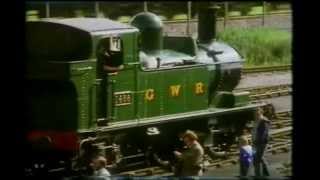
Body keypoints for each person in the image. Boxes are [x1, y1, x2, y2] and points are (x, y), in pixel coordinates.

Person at [252, 107, 271, 177]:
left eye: (257, 113)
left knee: (256, 159)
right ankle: (266, 173)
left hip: (261, 143)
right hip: (255, 142)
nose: (256, 114)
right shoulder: (256, 121)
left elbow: (264, 133)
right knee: (261, 158)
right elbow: (255, 131)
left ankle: (257, 175)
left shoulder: (264, 121)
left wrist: (257, 141)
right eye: (255, 113)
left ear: (261, 112)